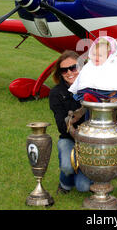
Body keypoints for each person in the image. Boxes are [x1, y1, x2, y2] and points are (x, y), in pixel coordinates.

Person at [49, 50, 92, 194]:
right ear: (60, 73)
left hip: (92, 142)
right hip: (68, 138)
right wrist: (77, 115)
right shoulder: (56, 93)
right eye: (64, 70)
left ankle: (91, 174)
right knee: (68, 167)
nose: (69, 72)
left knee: (83, 187)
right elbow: (62, 127)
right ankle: (64, 184)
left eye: (73, 68)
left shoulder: (94, 88)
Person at [68, 36, 117, 102]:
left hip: (110, 91)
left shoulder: (116, 63)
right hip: (92, 91)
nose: (96, 58)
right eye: (93, 54)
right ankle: (92, 98)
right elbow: (82, 78)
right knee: (85, 92)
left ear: (108, 55)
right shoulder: (90, 65)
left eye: (100, 55)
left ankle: (99, 98)